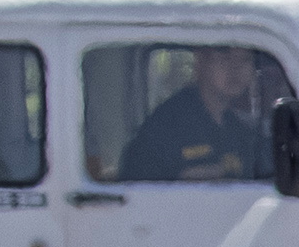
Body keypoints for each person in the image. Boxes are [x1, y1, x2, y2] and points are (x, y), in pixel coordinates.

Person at [117, 43, 283, 185]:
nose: (235, 68)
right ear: (201, 60)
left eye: (245, 60)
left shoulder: (240, 129)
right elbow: (136, 189)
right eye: (224, 56)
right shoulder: (167, 124)